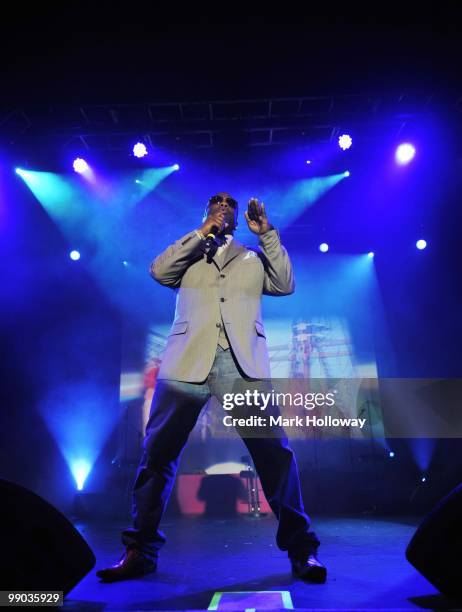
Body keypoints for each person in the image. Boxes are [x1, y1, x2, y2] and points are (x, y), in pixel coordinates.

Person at [96, 193, 327, 583]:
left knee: (275, 458)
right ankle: (140, 550)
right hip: (186, 363)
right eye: (215, 203)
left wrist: (267, 233)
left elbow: (286, 284)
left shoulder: (253, 256)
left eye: (229, 204)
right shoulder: (189, 250)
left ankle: (303, 551)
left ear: (239, 218)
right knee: (157, 456)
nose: (223, 206)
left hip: (243, 366)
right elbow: (158, 271)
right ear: (206, 212)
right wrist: (201, 233)